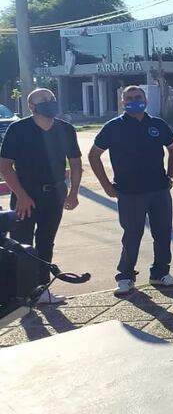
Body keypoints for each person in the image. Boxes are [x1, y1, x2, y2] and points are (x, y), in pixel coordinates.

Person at [89, 85, 173, 295]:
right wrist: (106, 185)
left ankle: (160, 274)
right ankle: (125, 277)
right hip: (129, 192)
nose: (134, 100)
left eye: (138, 97)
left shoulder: (157, 124)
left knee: (163, 233)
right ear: (122, 102)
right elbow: (94, 156)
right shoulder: (113, 127)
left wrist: (171, 174)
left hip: (159, 189)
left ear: (146, 100)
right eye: (129, 98)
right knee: (132, 235)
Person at [0, 88, 82, 304]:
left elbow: (75, 162)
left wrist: (73, 192)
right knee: (20, 244)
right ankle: (18, 293)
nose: (49, 102)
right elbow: (6, 166)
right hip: (26, 195)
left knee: (46, 242)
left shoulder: (66, 129)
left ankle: (42, 289)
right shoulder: (18, 129)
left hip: (55, 193)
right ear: (31, 106)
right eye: (43, 100)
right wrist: (22, 196)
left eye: (51, 98)